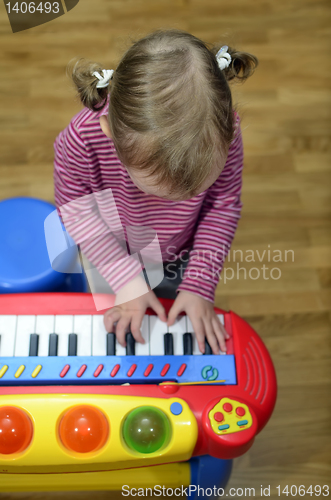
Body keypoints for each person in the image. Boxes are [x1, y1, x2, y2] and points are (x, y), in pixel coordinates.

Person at [54, 29, 258, 354]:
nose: (180, 204)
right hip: (109, 250)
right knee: (118, 321)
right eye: (158, 191)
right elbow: (76, 211)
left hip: (180, 253)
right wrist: (125, 279)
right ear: (110, 133)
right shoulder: (81, 139)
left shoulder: (224, 133)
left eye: (194, 192)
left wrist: (200, 284)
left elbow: (222, 205)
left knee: (169, 311)